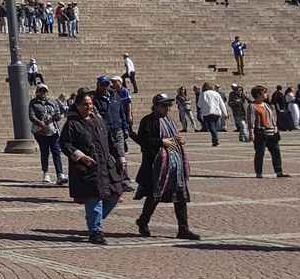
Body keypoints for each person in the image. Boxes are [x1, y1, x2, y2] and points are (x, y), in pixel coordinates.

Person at [60, 90, 126, 244]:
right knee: (94, 198)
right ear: (77, 105)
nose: (88, 107)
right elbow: (64, 144)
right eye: (85, 104)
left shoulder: (99, 120)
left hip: (106, 165)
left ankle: (93, 220)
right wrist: (81, 156)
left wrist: (120, 158)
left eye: (90, 104)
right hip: (87, 167)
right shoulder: (72, 123)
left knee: (116, 193)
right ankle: (95, 232)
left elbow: (111, 142)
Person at [134, 94, 200, 240]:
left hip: (174, 164)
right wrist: (161, 142)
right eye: (164, 105)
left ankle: (183, 229)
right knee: (154, 196)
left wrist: (178, 140)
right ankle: (143, 221)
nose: (167, 108)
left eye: (168, 106)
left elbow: (173, 137)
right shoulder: (148, 120)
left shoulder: (169, 120)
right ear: (156, 106)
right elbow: (143, 141)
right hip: (156, 166)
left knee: (180, 196)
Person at [248, 85, 289, 179]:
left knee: (276, 152)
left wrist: (276, 129)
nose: (266, 94)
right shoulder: (252, 106)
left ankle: (279, 172)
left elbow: (272, 118)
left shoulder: (266, 105)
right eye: (264, 92)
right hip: (260, 133)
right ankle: (259, 173)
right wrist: (251, 133)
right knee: (260, 153)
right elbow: (251, 120)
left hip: (272, 132)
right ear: (258, 94)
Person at [30, 84, 67, 185]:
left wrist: (57, 116)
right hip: (40, 131)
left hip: (53, 130)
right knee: (44, 152)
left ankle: (60, 174)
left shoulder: (53, 102)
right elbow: (31, 116)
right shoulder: (33, 103)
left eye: (44, 91)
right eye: (41, 91)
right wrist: (39, 122)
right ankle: (45, 173)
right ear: (37, 92)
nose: (43, 93)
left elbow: (58, 115)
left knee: (56, 151)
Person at [197, 81, 228, 147]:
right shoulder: (216, 93)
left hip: (207, 113)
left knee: (211, 127)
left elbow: (199, 104)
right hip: (216, 112)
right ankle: (215, 139)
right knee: (214, 126)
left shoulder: (203, 94)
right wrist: (225, 113)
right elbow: (222, 104)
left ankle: (215, 140)